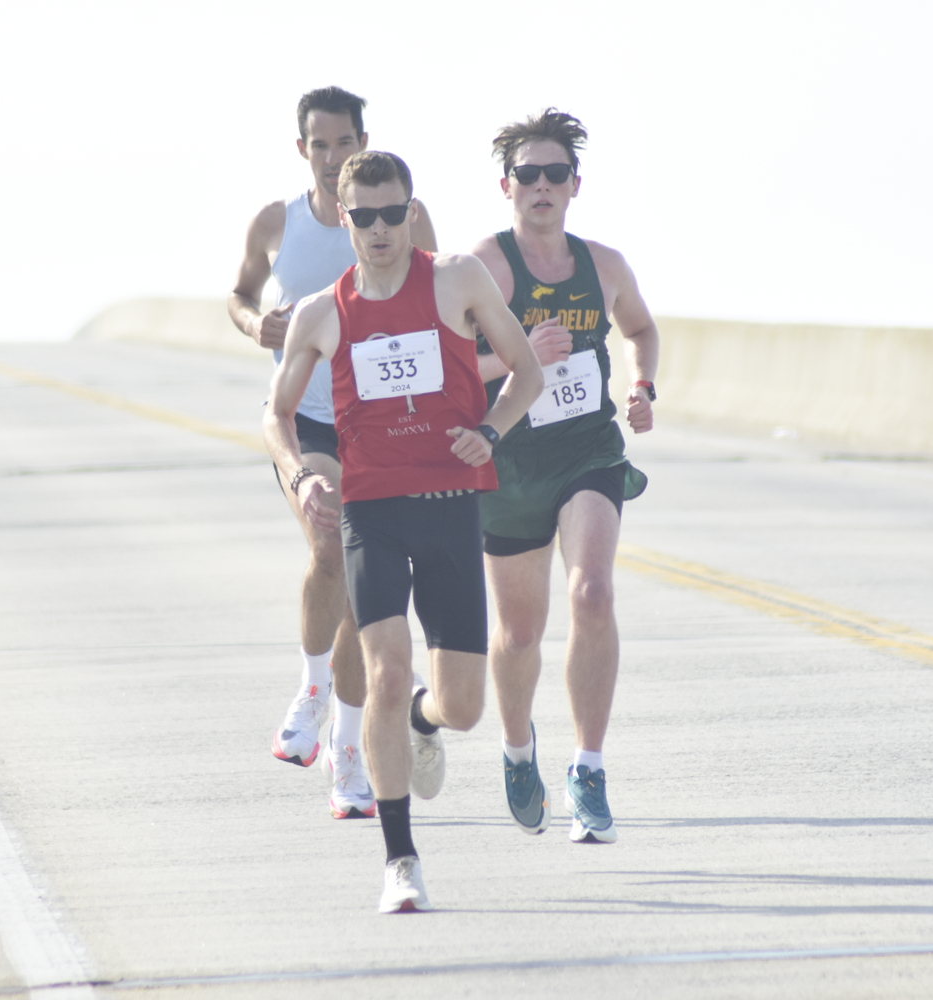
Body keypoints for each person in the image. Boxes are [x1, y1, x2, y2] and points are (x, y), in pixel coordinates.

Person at [265, 151, 542, 912]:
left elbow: (525, 370)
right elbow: (276, 412)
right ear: (345, 217)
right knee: (383, 670)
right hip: (373, 509)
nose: (381, 229)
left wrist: (490, 429)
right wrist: (301, 473)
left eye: (394, 214)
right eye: (365, 216)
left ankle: (424, 721)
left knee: (462, 707)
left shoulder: (457, 280)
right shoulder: (324, 312)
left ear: (411, 211)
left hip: (451, 502)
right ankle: (400, 861)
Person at [228, 87, 438, 820]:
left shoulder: (399, 219)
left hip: (379, 430)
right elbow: (239, 293)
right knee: (330, 548)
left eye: (343, 142)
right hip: (309, 425)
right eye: (318, 144)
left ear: (362, 142)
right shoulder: (275, 222)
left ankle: (347, 752)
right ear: (301, 150)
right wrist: (255, 323)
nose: (331, 156)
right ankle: (315, 688)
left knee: (362, 586)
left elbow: (434, 305)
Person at [469, 109, 659, 844]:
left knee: (594, 591)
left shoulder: (604, 265)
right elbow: (444, 365)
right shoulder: (482, 268)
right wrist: (520, 362)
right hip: (510, 459)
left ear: (575, 185)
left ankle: (589, 766)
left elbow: (641, 328)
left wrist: (643, 388)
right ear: (506, 186)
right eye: (528, 175)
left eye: (555, 174)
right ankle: (519, 750)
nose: (541, 186)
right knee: (520, 632)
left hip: (587, 451)